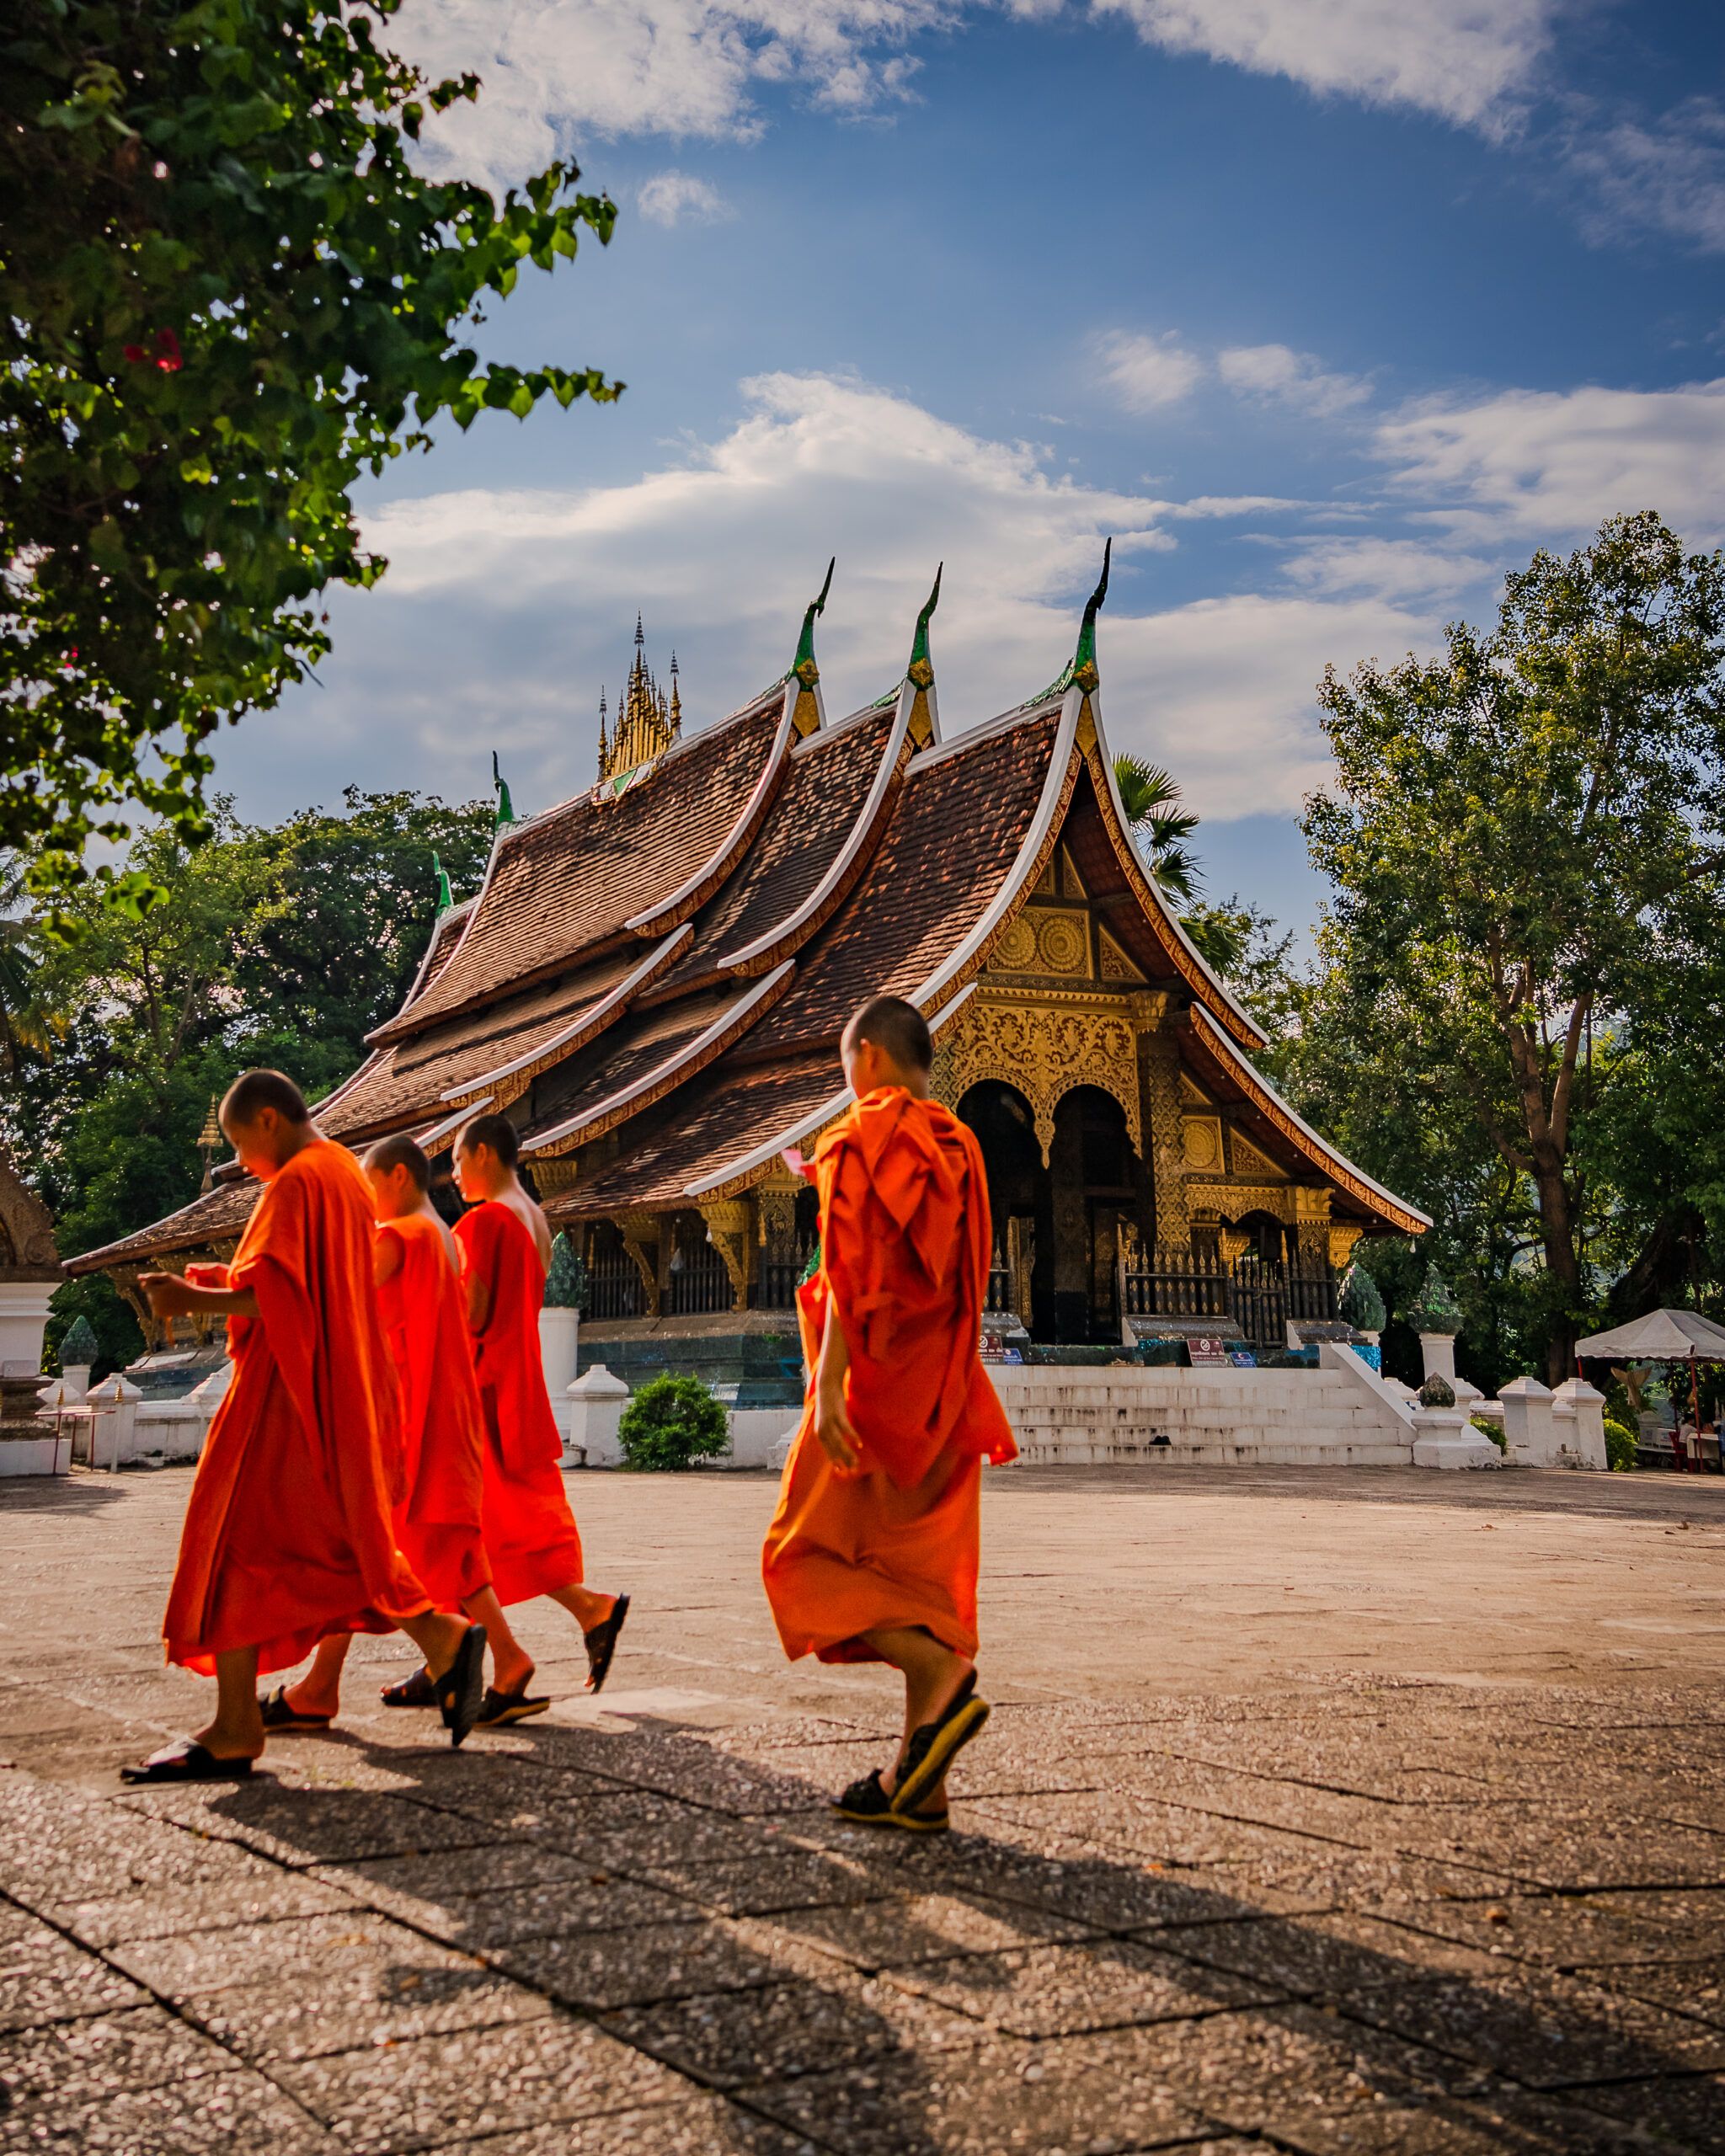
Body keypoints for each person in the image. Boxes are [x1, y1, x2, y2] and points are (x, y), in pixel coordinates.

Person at [123, 1072, 487, 1782]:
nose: (244, 1163)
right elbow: (315, 1287)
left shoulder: (294, 1182)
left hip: (284, 1396)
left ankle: (234, 1729)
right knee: (330, 1545)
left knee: (234, 1546)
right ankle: (443, 1640)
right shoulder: (348, 1175)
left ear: (268, 1120)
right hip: (345, 1386)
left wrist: (189, 1296)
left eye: (239, 1144)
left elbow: (284, 1297)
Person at [761, 995, 1016, 1831]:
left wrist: (829, 1380)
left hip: (872, 1397)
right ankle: (918, 1780)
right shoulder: (963, 1145)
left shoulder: (864, 1132)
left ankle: (941, 1682)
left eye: (844, 1067)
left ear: (864, 1056)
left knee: (798, 1555)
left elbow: (846, 1271)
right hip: (945, 1393)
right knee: (917, 1585)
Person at [259, 1134, 543, 1732]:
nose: (365, 1199)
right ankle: (494, 1662)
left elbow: (338, 1297)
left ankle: (327, 1687)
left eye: (367, 1184)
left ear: (395, 1178)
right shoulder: (442, 1236)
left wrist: (253, 1286)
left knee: (367, 1548)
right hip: (447, 1409)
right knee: (431, 1556)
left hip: (412, 1415)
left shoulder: (400, 1237)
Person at [451, 1113, 628, 1701]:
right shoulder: (536, 1221)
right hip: (520, 1383)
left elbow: (471, 1314)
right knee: (509, 1520)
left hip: (481, 1386)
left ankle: (453, 1652)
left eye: (455, 1161)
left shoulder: (483, 1222)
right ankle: (454, 1651)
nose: (452, 1176)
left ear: (482, 1154)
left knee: (457, 1523)